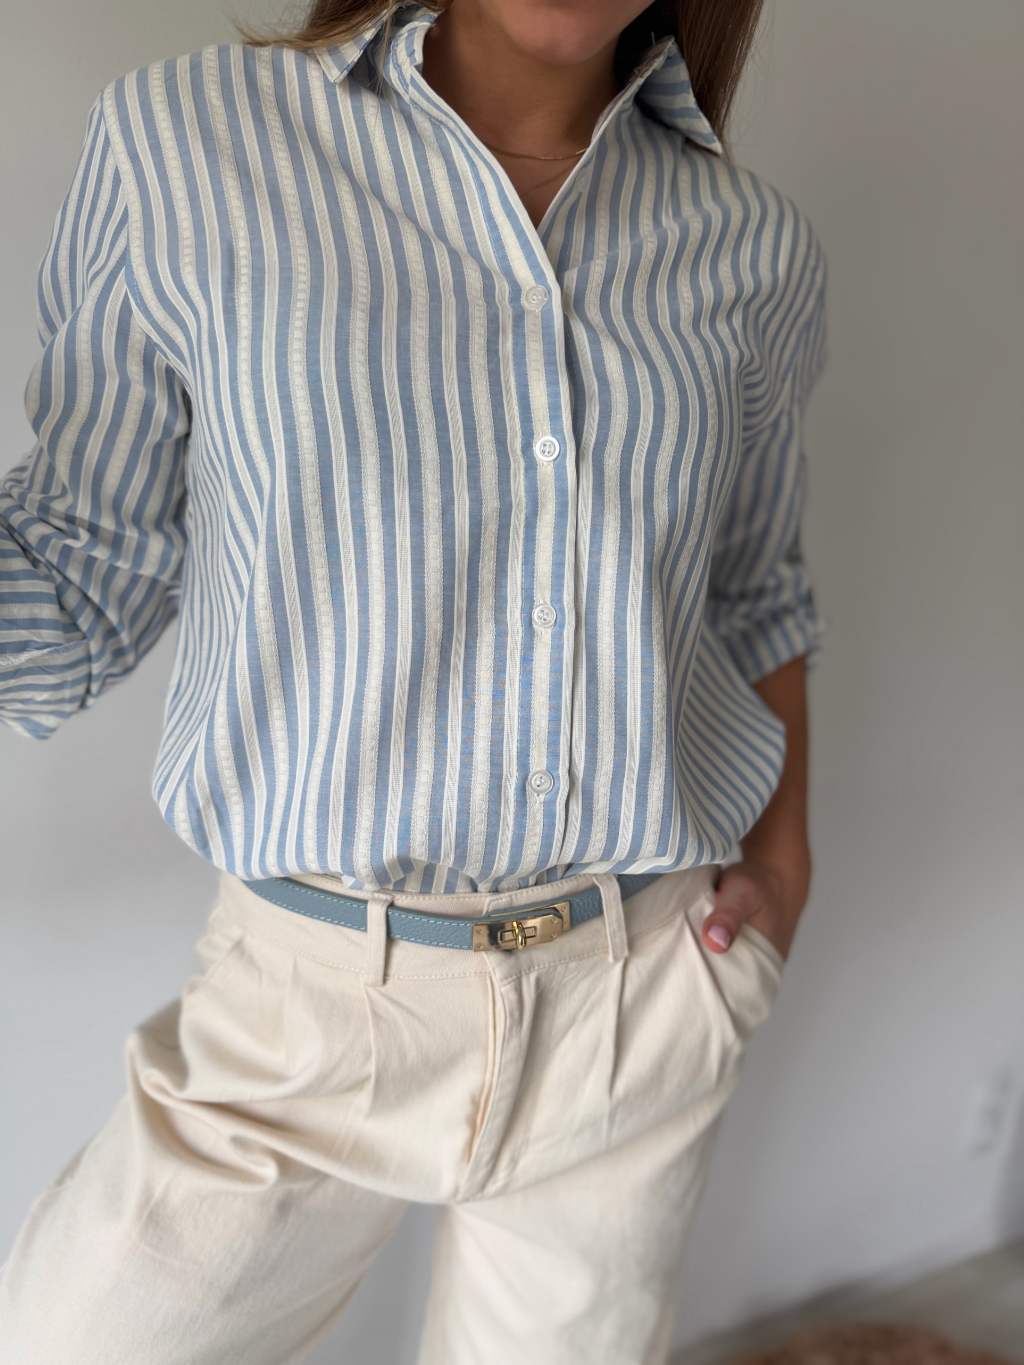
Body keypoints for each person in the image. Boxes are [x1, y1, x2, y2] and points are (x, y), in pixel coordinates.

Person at [0, 0, 826, 1359]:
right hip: (308, 1009)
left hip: (638, 998)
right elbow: (84, 564)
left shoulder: (750, 241)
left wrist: (785, 862)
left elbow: (753, 581)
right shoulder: (186, 143)